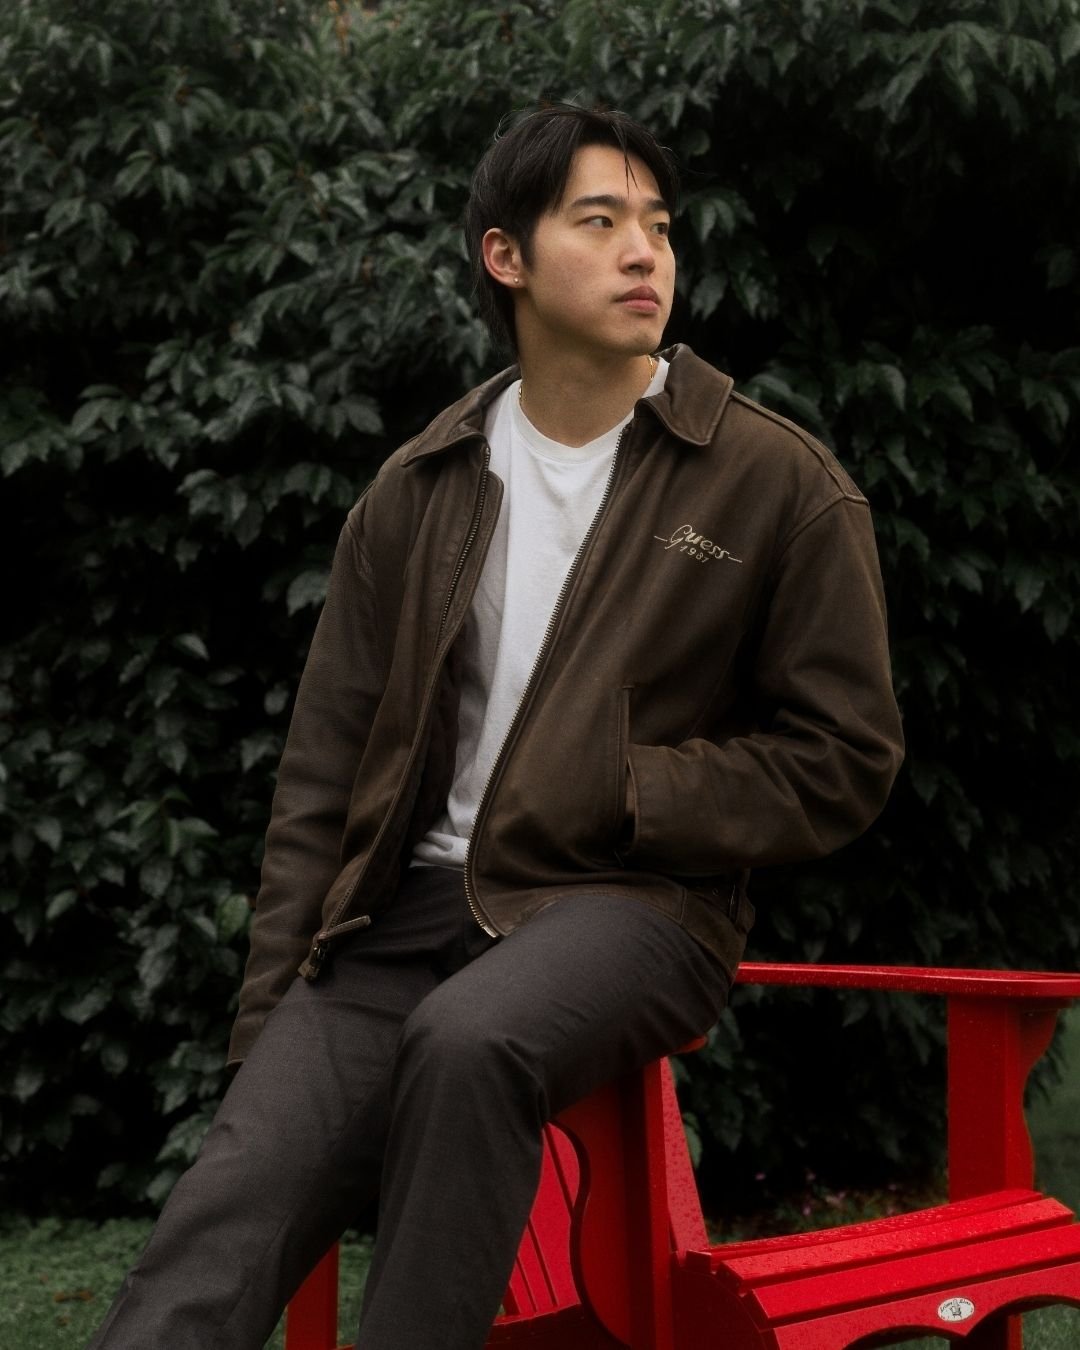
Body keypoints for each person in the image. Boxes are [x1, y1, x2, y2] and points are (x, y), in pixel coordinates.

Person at [88, 104, 904, 1350]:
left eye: (659, 225)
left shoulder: (772, 480)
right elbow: (321, 774)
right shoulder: (421, 485)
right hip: (405, 909)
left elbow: (845, 756)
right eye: (601, 221)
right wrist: (269, 1022)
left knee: (471, 1043)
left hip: (630, 905)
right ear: (504, 256)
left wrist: (631, 789)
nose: (647, 252)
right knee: (239, 1184)